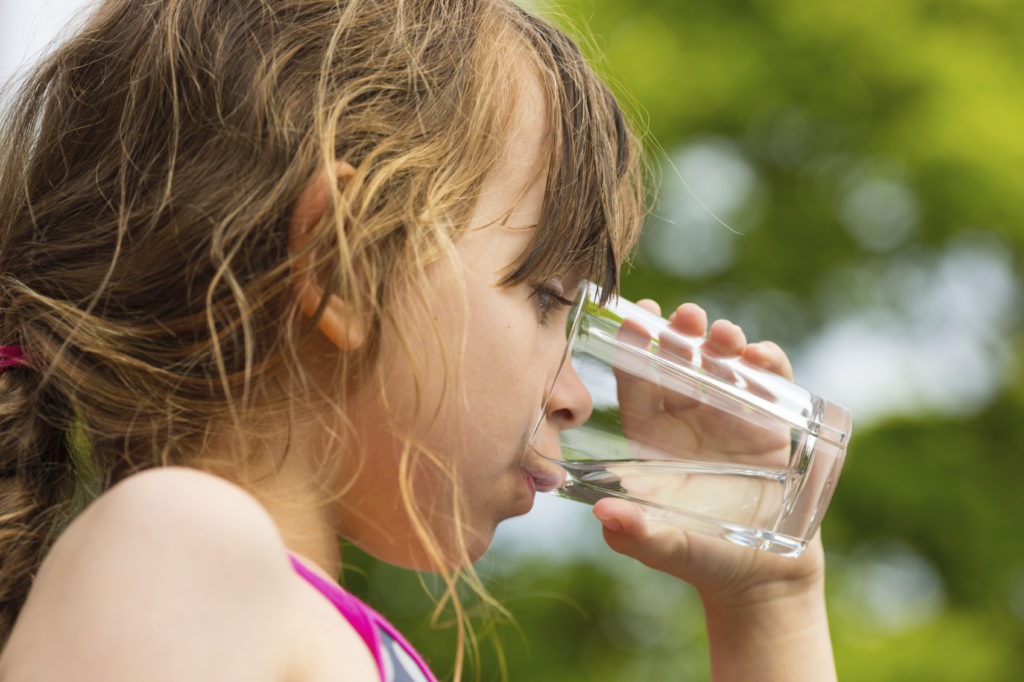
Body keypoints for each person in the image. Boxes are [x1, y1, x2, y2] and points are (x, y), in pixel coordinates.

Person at [0, 1, 836, 680]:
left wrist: (768, 607)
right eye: (548, 298)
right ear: (346, 264)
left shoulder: (283, 613)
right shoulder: (187, 545)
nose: (578, 396)